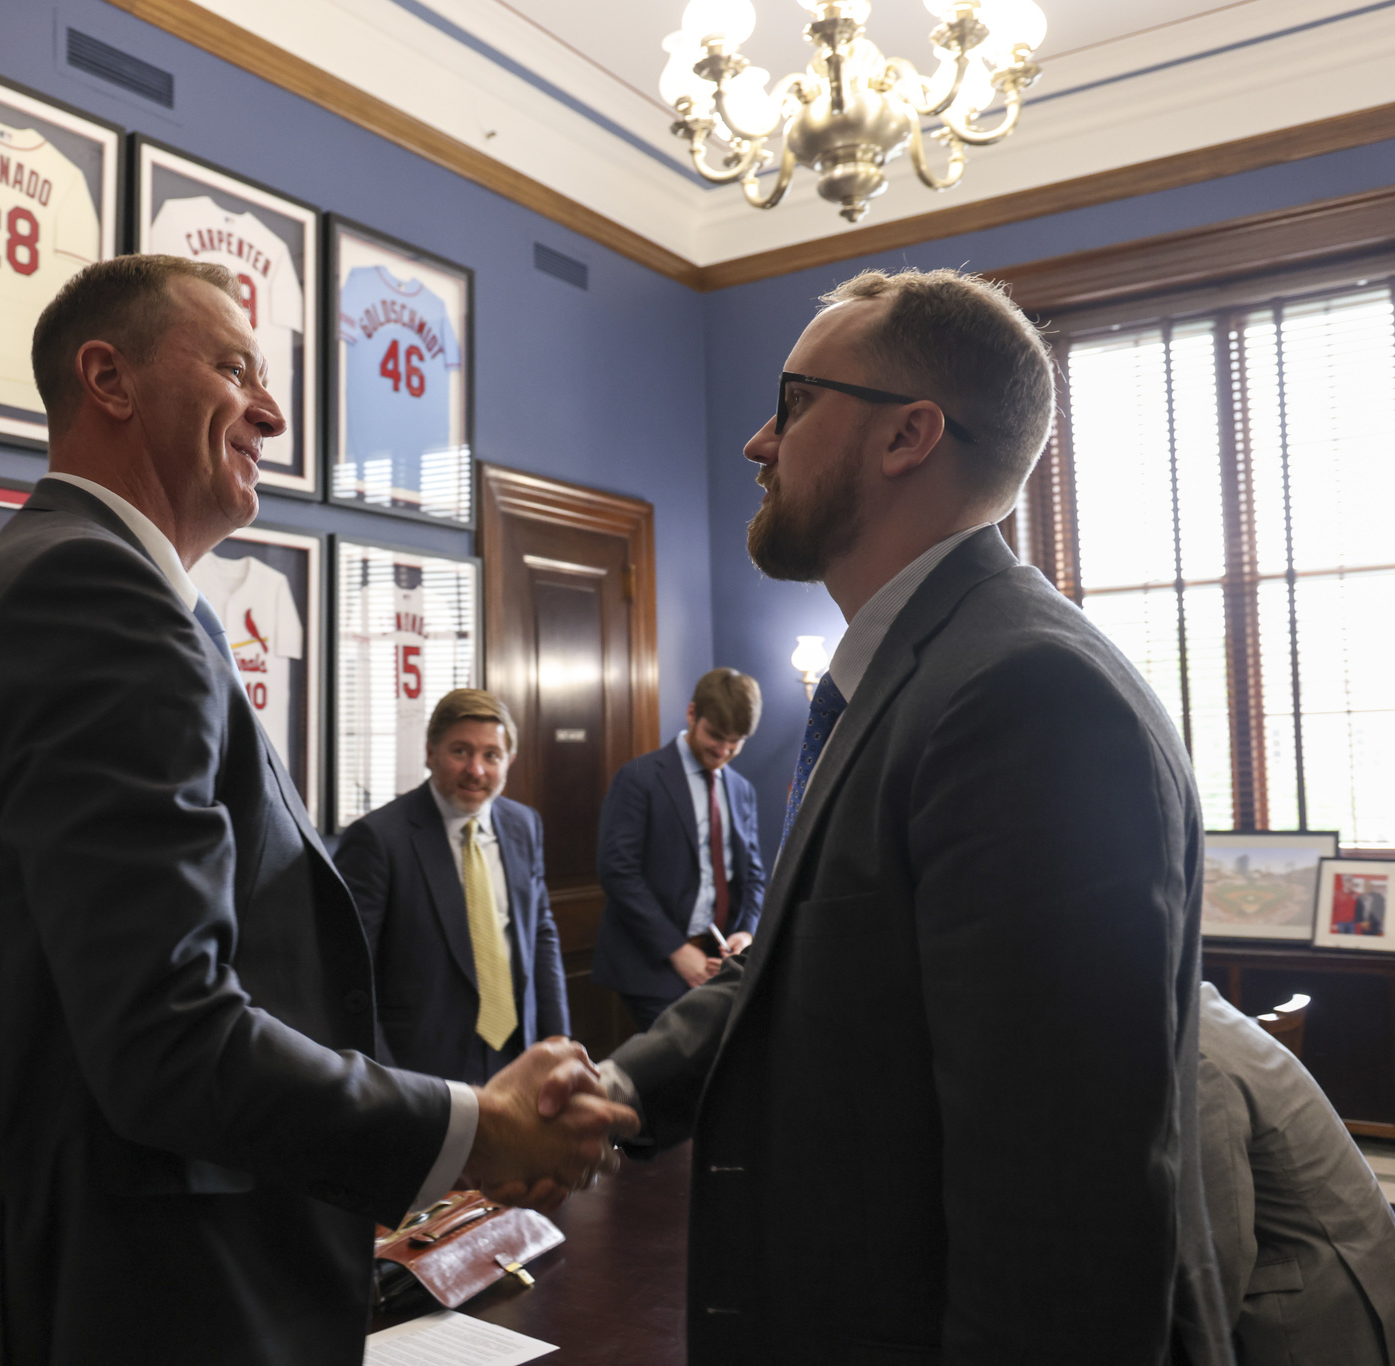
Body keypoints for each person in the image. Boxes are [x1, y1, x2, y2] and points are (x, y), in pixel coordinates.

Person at [0, 255, 635, 1365]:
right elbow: (166, 1035)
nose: (273, 411)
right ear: (109, 377)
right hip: (118, 1291)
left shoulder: (95, 585)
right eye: (235, 367)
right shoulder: (92, 593)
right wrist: (469, 1130)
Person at [572, 268, 1231, 1361]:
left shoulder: (1026, 697)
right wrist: (614, 1090)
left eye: (791, 403)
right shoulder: (905, 680)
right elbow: (786, 958)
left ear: (906, 437)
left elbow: (1056, 1221)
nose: (755, 443)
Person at [332, 689, 568, 1084]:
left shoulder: (524, 825)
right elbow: (349, 974)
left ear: (508, 760)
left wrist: (558, 1039)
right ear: (430, 753)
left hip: (518, 1049)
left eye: (491, 755)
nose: (476, 770)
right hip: (421, 1065)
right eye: (460, 752)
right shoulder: (377, 839)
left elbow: (540, 932)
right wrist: (384, 1077)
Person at [1197, 983, 1395, 1365]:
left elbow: (1213, 1266)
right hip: (1371, 1281)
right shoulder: (1205, 1010)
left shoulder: (1198, 1059)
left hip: (1331, 1322)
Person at [592, 668, 767, 1029]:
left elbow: (753, 876)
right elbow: (617, 871)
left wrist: (746, 933)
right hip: (652, 964)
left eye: (735, 743)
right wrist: (675, 949)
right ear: (691, 714)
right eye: (715, 736)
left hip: (720, 962)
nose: (722, 751)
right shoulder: (639, 777)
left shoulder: (741, 789)